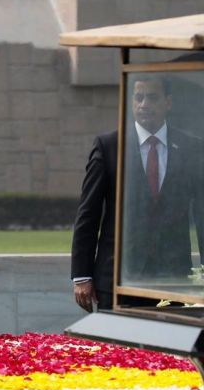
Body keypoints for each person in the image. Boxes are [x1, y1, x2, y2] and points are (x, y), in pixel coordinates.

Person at [71, 76, 204, 312]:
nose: (144, 104)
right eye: (139, 98)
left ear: (168, 102)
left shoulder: (191, 147)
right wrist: (82, 275)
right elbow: (88, 213)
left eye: (152, 98)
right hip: (117, 278)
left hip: (173, 279)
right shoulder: (109, 146)